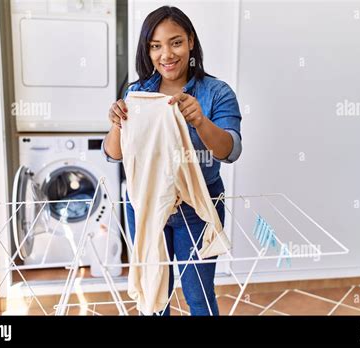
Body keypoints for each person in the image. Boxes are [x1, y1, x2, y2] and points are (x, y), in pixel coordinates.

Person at [102, 5, 242, 316]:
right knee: (154, 295)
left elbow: (230, 151)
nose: (166, 54)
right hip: (148, 204)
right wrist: (116, 123)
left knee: (199, 296)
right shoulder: (137, 93)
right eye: (156, 46)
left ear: (191, 41)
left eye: (175, 42)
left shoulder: (217, 93)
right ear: (148, 51)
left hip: (198, 204)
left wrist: (201, 121)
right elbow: (114, 154)